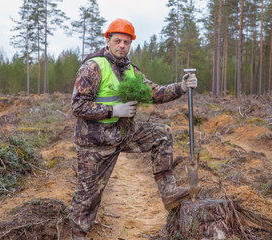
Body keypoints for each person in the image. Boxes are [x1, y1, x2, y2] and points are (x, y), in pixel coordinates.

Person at [70, 18, 198, 240]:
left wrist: (182, 86)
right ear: (108, 41)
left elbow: (155, 93)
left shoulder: (130, 69)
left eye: (127, 42)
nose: (122, 46)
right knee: (88, 196)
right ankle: (78, 234)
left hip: (122, 134)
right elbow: (78, 106)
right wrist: (113, 110)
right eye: (118, 41)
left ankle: (169, 193)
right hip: (95, 143)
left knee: (162, 134)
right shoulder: (92, 67)